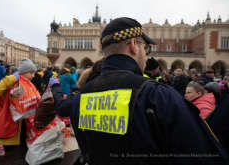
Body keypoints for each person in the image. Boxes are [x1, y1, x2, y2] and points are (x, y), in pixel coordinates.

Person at [49, 17, 228, 165]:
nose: (146, 54)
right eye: (145, 47)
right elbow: (205, 157)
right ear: (134, 45)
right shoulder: (159, 96)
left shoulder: (81, 97)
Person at [0, 58, 39, 165]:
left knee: (22, 156)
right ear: (23, 72)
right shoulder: (11, 83)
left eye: (34, 72)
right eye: (31, 73)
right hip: (10, 129)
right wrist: (10, 79)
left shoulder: (29, 85)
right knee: (11, 158)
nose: (33, 75)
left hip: (25, 128)